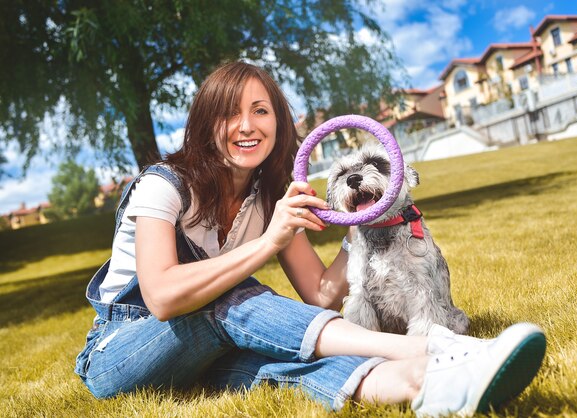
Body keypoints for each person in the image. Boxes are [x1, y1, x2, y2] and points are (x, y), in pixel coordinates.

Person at [75, 61, 546, 416]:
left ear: (278, 122)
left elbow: (320, 293)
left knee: (282, 366)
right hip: (120, 353)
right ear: (205, 124)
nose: (246, 125)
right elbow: (160, 296)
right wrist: (268, 242)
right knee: (233, 299)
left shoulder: (268, 199)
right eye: (229, 114)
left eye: (260, 111)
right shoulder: (163, 184)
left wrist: (366, 222)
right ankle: (433, 348)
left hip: (197, 357)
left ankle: (429, 385)